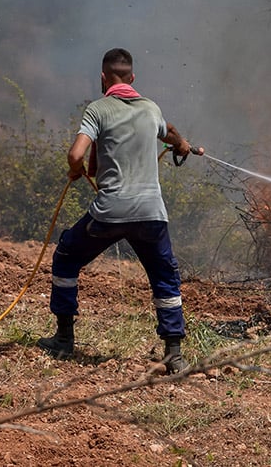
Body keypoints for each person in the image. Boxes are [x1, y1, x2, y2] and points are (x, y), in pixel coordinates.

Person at [38, 48, 201, 374]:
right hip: (151, 214)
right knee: (165, 278)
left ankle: (64, 339)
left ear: (103, 78)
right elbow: (167, 131)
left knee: (67, 255)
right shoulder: (151, 108)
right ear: (133, 79)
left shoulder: (98, 110)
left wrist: (76, 169)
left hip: (110, 213)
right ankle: (175, 356)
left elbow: (75, 155)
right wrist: (182, 144)